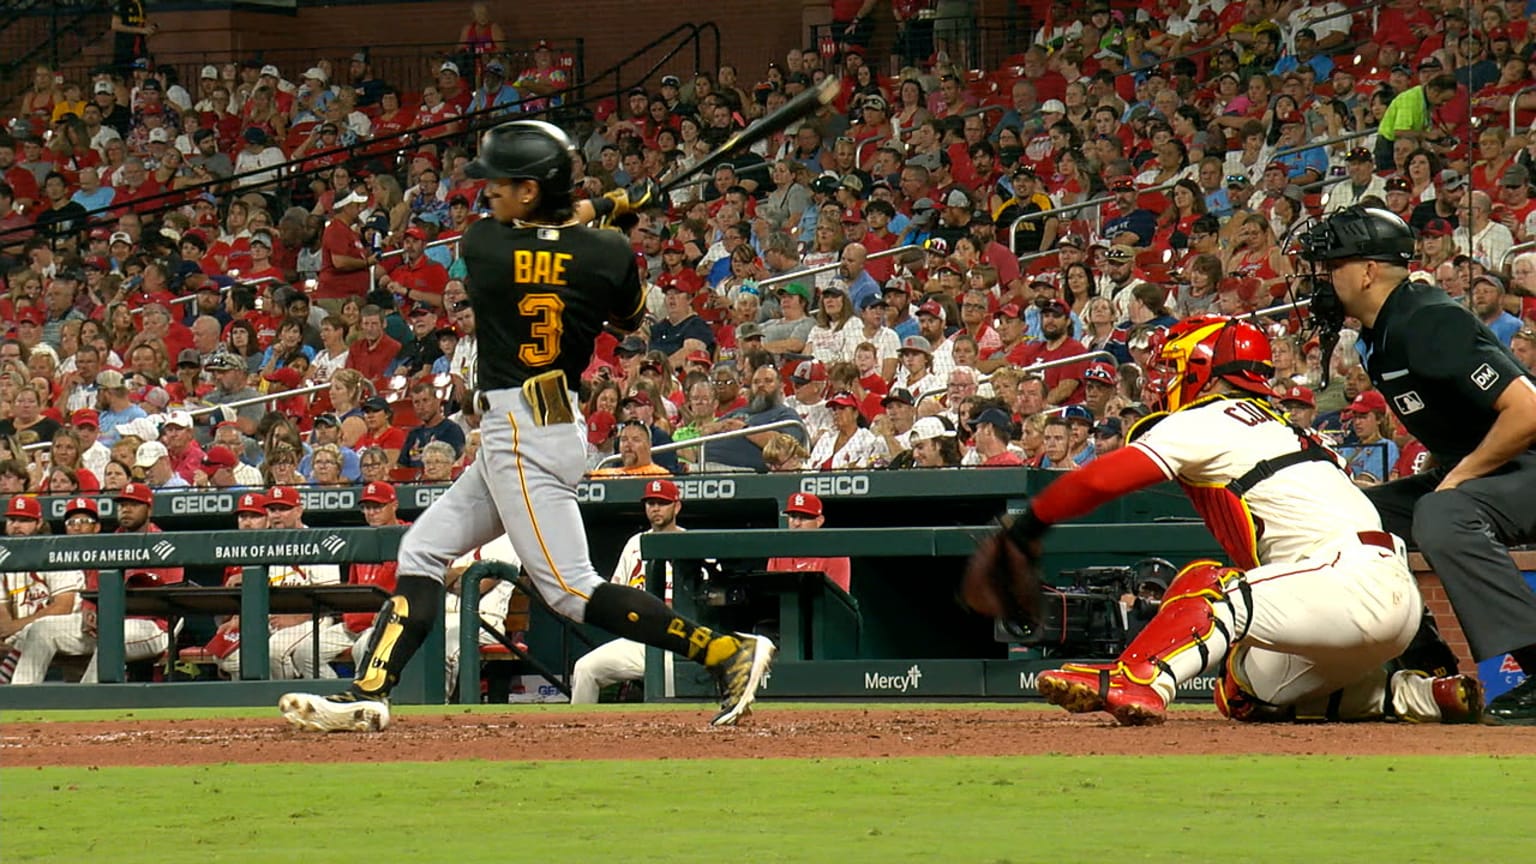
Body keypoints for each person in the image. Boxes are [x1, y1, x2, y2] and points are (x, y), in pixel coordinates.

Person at [279, 120, 774, 732]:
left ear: (534, 191)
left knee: (570, 589)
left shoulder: (485, 245)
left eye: (501, 183)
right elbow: (629, 316)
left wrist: (605, 206)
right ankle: (369, 689)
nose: (487, 193)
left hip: (524, 434)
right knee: (424, 549)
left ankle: (725, 651)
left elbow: (538, 238)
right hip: (542, 422)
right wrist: (615, 221)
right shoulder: (610, 252)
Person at [1002, 315, 1483, 726]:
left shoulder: (1210, 415)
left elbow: (1100, 480)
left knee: (1208, 585)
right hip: (1379, 597)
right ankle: (1415, 697)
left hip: (1341, 584)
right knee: (1246, 691)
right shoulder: (1289, 429)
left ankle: (1140, 678)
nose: (1165, 379)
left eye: (1174, 367)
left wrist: (1028, 527)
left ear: (1202, 370)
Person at [1301, 206, 1536, 723]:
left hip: (1526, 461)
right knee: (1349, 517)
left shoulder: (1427, 319)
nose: (1323, 279)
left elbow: (1527, 411)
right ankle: (1429, 667)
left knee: (1443, 512)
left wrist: (1459, 478)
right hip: (1495, 468)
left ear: (1367, 271)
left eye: (1332, 266)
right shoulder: (1379, 331)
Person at [570, 477, 686, 703]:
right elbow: (618, 590)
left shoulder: (693, 543)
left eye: (662, 503)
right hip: (638, 640)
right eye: (650, 503)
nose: (655, 509)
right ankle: (579, 733)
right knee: (585, 669)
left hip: (677, 643)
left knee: (675, 684)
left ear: (677, 506)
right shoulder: (634, 544)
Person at [0, 497, 86, 685]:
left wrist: (15, 628)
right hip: (23, 635)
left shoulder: (55, 552)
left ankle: (14, 695)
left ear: (39, 523)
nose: (16, 526)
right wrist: (7, 632)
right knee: (30, 634)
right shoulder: (4, 559)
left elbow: (63, 607)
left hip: (72, 628)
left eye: (24, 521)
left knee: (36, 631)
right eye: (12, 520)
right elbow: (2, 610)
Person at [764, 493, 851, 592]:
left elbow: (838, 602)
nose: (796, 523)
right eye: (793, 517)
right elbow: (770, 594)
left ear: (819, 521)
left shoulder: (835, 554)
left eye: (803, 517)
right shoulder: (778, 552)